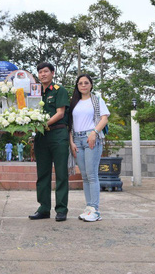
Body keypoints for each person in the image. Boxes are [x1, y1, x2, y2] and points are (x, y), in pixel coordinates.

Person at [29, 62, 70, 222]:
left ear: (52, 73)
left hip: (58, 134)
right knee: (43, 174)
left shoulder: (59, 91)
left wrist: (43, 125)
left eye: (46, 71)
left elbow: (60, 113)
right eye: (40, 72)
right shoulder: (35, 92)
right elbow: (30, 113)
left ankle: (61, 209)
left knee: (61, 173)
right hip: (41, 136)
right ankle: (44, 208)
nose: (42, 74)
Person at [69, 73, 110, 222]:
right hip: (77, 140)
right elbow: (71, 124)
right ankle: (89, 207)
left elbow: (104, 118)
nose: (83, 85)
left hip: (91, 138)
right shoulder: (75, 102)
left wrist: (94, 132)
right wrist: (71, 141)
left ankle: (95, 210)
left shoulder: (97, 100)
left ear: (91, 85)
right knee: (85, 176)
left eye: (86, 83)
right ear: (77, 86)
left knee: (92, 175)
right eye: (80, 83)